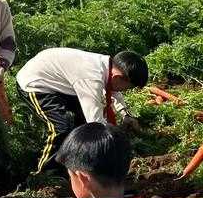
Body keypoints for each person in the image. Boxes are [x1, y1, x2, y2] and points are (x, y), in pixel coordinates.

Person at [16, 48, 147, 173]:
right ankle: (47, 172)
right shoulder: (91, 78)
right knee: (61, 127)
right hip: (36, 82)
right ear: (118, 77)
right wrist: (116, 146)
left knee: (81, 123)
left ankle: (77, 161)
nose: (124, 91)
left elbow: (114, 91)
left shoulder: (107, 67)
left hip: (60, 81)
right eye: (127, 88)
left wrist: (125, 114)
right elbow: (96, 124)